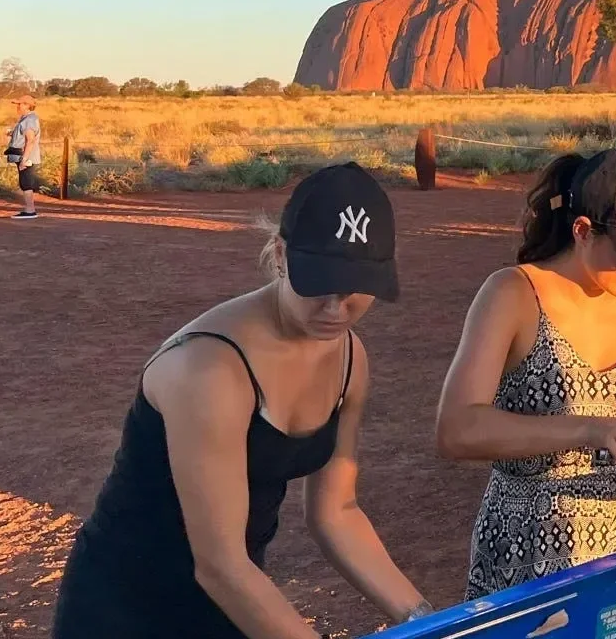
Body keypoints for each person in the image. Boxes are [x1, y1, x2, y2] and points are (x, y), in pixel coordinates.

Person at [53, 163, 430, 639]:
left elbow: (337, 512)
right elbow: (220, 565)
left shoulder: (350, 357)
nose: (337, 308)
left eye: (356, 286)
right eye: (317, 283)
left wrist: (427, 620)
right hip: (128, 607)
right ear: (280, 255)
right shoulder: (210, 369)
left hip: (239, 599)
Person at [436, 149, 616, 598]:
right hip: (525, 545)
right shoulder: (512, 292)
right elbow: (456, 429)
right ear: (583, 231)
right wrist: (589, 429)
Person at [5, 92, 42, 219]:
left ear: (27, 105)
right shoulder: (27, 118)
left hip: (26, 157)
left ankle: (30, 210)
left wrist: (24, 159)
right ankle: (29, 209)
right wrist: (13, 133)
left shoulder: (29, 120)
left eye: (19, 104)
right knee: (25, 182)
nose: (17, 106)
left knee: (25, 182)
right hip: (25, 156)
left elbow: (30, 140)